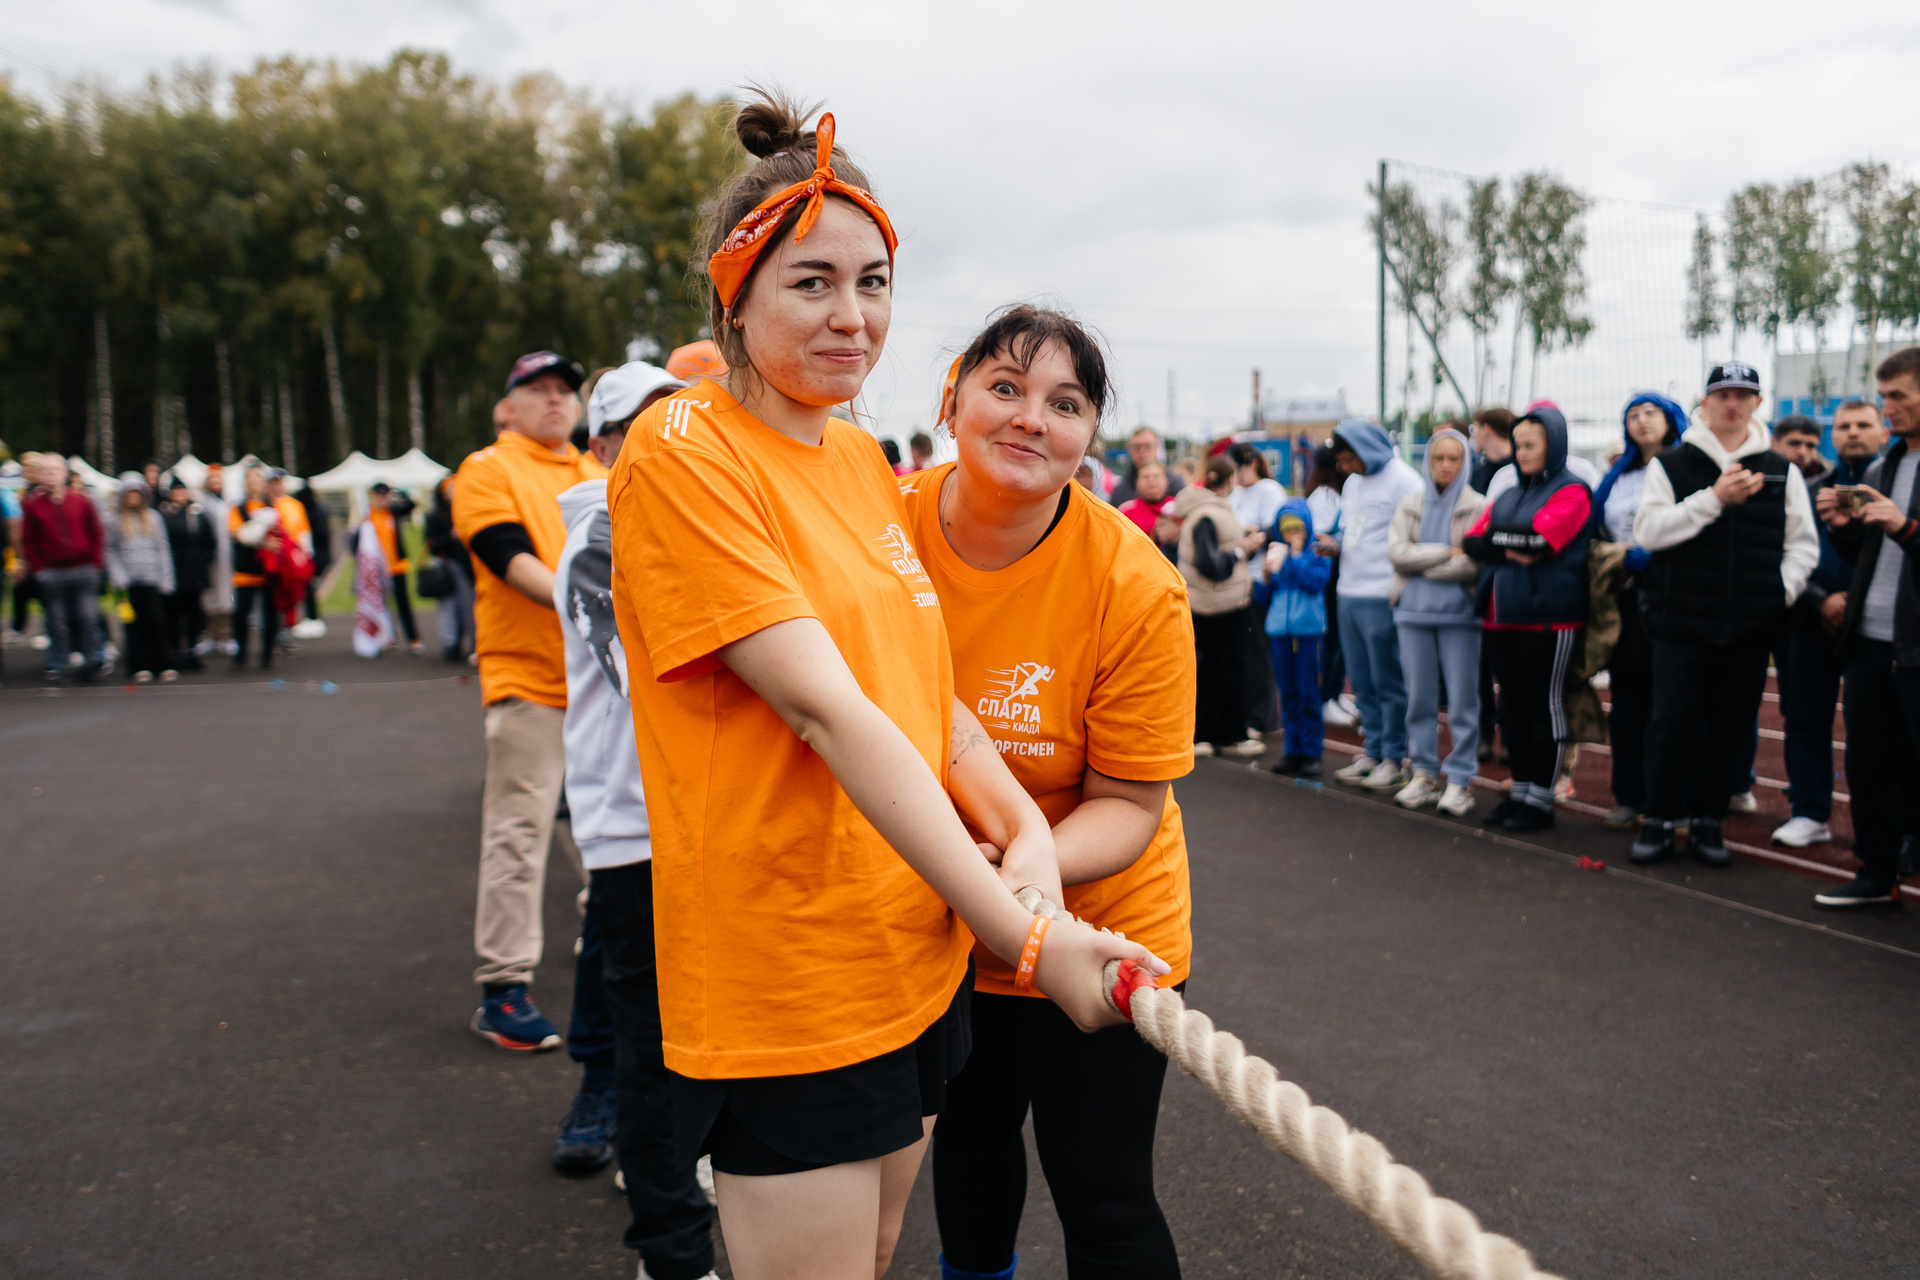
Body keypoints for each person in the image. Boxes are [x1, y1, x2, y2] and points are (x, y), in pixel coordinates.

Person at [605, 96, 1157, 1280]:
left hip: (910, 953)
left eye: (874, 281)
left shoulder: (857, 455)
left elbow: (917, 688)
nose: (852, 317)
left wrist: (1025, 835)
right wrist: (1026, 935)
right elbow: (828, 708)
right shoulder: (684, 449)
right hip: (791, 971)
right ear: (735, 293)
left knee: (880, 1252)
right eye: (811, 282)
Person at [897, 305, 1193, 1280]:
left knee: (1102, 1189)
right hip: (938, 916)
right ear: (951, 400)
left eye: (1066, 403)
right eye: (1006, 387)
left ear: (1089, 437)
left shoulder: (1137, 586)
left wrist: (1017, 870)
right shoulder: (879, 531)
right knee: (969, 1150)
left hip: (1097, 918)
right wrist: (968, 876)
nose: (1032, 417)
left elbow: (1130, 806)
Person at [550, 359, 720, 1277]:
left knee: (716, 1030)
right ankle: (670, 1248)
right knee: (650, 1047)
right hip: (635, 831)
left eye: (677, 419)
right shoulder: (599, 535)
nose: (665, 440)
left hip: (714, 818)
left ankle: (687, 1169)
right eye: (642, 426)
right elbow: (659, 675)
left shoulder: (689, 516)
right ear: (604, 444)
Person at [453, 349, 607, 1050]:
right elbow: (505, 554)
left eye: (565, 390)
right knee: (519, 832)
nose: (555, 400)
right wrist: (588, 602)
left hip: (600, 682)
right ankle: (504, 986)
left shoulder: (594, 471)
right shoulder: (489, 467)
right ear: (506, 406)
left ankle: (603, 941)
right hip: (530, 679)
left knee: (615, 829)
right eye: (538, 389)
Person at [1628, 363, 1818, 866]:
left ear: (1757, 403)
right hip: (1679, 625)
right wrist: (1713, 499)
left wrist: (1778, 593)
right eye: (1723, 394)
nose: (1732, 404)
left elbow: (1802, 545)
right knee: (1670, 724)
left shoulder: (1781, 470)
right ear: (1705, 401)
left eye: (1743, 395)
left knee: (1730, 728)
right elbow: (1648, 533)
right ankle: (1660, 818)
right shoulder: (1671, 464)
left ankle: (1708, 820)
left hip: (1748, 630)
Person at [1813, 349, 1920, 906]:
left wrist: (1905, 527)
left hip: (1916, 645)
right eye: (1884, 396)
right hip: (1869, 642)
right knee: (1868, 765)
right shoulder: (1885, 467)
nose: (1887, 408)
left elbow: (1904, 538)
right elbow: (1873, 556)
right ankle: (1878, 874)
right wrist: (1842, 527)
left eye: (1898, 396)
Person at [1462, 406, 1592, 832]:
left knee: (1544, 706)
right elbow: (1473, 541)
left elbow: (1540, 541)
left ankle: (1541, 799)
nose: (1521, 452)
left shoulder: (1572, 491)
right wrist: (1514, 545)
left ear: (1553, 445)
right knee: (1512, 707)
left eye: (1531, 444)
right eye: (1518, 445)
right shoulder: (1508, 494)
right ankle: (1520, 791)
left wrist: (1506, 542)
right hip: (1501, 614)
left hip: (1547, 617)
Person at [1772, 401, 1886, 849]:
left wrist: (1855, 600)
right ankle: (1809, 812)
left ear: (1883, 431)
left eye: (1864, 424)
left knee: (1877, 729)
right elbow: (1786, 551)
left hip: (1875, 625)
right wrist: (1820, 599)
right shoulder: (1811, 489)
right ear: (1832, 435)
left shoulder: (1896, 488)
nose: (1853, 432)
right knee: (1805, 717)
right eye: (1844, 425)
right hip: (1811, 619)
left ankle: (1885, 826)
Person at [1589, 393, 1687, 829]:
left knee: (1673, 706)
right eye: (1633, 415)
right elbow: (1595, 532)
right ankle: (1629, 795)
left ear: (1671, 420)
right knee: (1628, 704)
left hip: (1675, 600)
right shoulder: (1618, 475)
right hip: (1626, 601)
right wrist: (1619, 558)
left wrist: (1658, 560)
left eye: (1651, 413)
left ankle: (1672, 801)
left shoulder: (1686, 467)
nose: (1642, 421)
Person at [1386, 426, 1487, 816]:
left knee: (1463, 702)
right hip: (1411, 613)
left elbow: (1472, 564)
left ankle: (1460, 779)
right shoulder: (1410, 503)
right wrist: (1446, 551)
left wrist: (1420, 560)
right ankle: (1424, 773)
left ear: (1465, 462)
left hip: (1460, 615)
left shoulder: (1479, 506)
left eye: (1454, 458)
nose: (1445, 465)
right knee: (1419, 700)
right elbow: (1397, 554)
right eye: (1438, 458)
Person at [1325, 419, 1423, 790]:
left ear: (1367, 449)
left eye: (1350, 458)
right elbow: (1350, 529)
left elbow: (1416, 536)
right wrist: (1333, 543)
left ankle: (1395, 757)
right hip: (1348, 590)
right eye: (1342, 460)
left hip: (1383, 594)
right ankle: (1374, 749)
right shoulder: (1353, 483)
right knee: (1361, 681)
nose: (1346, 466)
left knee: (1388, 681)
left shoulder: (1405, 480)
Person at [1174, 455, 1265, 757]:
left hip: (1212, 601)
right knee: (1221, 671)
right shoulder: (1208, 513)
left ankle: (1220, 734)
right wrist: (1240, 551)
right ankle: (1214, 735)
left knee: (1215, 670)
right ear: (1230, 479)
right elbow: (1210, 563)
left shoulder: (1201, 509)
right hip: (1218, 603)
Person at [1256, 497, 1333, 776]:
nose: (1292, 535)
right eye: (1286, 530)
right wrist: (1266, 578)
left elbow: (1314, 584)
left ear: (1307, 527)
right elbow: (1264, 598)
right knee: (1287, 693)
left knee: (1308, 692)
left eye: (1297, 528)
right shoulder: (1278, 554)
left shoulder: (1317, 554)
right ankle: (1293, 750)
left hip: (1307, 633)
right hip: (1280, 631)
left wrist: (1299, 557)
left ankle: (1312, 752)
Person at [20, 454, 104, 683]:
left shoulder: (81, 500)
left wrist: (95, 563)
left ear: (64, 473)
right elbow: (29, 540)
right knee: (58, 623)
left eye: (54, 470)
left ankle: (92, 662)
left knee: (88, 618)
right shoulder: (33, 506)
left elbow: (96, 532)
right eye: (45, 470)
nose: (50, 475)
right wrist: (38, 569)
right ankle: (61, 665)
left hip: (83, 569)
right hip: (52, 572)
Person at [228, 467, 310, 671]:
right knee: (241, 614)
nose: (254, 484)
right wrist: (264, 541)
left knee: (270, 614)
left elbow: (282, 532)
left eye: (257, 479)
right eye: (250, 480)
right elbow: (240, 535)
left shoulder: (274, 506)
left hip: (269, 571)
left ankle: (267, 655)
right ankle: (240, 656)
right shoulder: (238, 509)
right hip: (245, 571)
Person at [105, 473, 178, 682]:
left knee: (157, 623)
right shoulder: (114, 520)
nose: (133, 498)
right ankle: (138, 665)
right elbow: (110, 550)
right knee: (132, 625)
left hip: (152, 579)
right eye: (129, 494)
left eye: (137, 493)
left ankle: (162, 663)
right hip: (128, 583)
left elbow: (163, 548)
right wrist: (119, 577)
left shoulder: (153, 518)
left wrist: (167, 578)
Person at [158, 478, 215, 668]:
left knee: (194, 613)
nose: (180, 495)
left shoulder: (196, 514)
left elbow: (209, 541)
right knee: (174, 614)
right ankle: (176, 651)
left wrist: (203, 559)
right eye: (176, 491)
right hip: (174, 571)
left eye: (183, 491)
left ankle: (192, 650)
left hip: (195, 572)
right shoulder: (165, 515)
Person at [364, 483, 423, 655]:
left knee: (403, 604)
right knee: (381, 606)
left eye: (385, 496)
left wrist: (401, 492)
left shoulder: (394, 512)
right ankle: (387, 638)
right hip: (378, 569)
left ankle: (413, 639)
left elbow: (412, 504)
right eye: (379, 496)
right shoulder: (368, 517)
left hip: (396, 567)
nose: (382, 500)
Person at [423, 475, 474, 662]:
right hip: (448, 565)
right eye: (450, 489)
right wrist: (450, 537)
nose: (454, 492)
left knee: (470, 606)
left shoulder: (468, 510)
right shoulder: (436, 516)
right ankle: (451, 644)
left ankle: (474, 645)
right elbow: (432, 544)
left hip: (468, 565)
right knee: (449, 608)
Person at [198, 462, 233, 656]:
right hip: (210, 556)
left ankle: (227, 635)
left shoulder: (230, 500)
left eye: (218, 479)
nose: (215, 483)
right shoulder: (202, 502)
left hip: (228, 557)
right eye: (212, 480)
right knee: (210, 596)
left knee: (228, 596)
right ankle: (212, 635)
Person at [293, 479, 333, 639]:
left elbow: (318, 535)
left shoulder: (312, 513)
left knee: (309, 588)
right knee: (310, 588)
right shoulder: (319, 510)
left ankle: (312, 617)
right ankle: (312, 616)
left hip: (316, 557)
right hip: (320, 556)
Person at [1109, 426, 1187, 506]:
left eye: (1147, 446)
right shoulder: (1121, 489)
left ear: (1156, 447)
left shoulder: (1175, 484)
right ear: (1129, 449)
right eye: (1136, 447)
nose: (1142, 451)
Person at [1116, 460, 1174, 543]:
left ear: (1166, 480)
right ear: (1137, 482)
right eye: (1145, 477)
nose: (1151, 480)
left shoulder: (1177, 507)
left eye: (1156, 476)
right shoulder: (1126, 510)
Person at [1468, 407, 1515, 495]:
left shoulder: (1519, 470)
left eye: (1473, 429)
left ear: (1485, 430)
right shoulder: (1477, 472)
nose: (1472, 436)